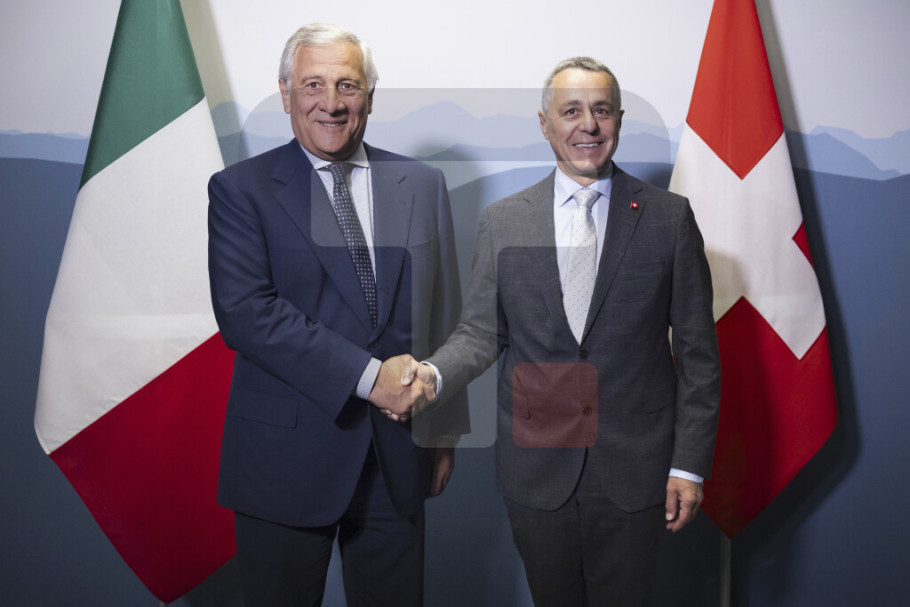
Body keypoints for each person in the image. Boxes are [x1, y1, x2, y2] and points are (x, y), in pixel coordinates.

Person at [403, 57, 721, 606]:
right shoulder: (504, 220)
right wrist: (431, 374)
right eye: (571, 111)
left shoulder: (669, 218)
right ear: (544, 123)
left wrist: (688, 466)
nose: (588, 125)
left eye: (602, 110)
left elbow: (699, 358)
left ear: (618, 120)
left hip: (637, 471)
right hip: (537, 472)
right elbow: (480, 333)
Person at [207, 23, 468, 606]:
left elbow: (443, 313)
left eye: (348, 85)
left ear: (369, 97)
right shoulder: (240, 190)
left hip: (398, 458)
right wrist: (373, 379)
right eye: (313, 85)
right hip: (283, 463)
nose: (331, 102)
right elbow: (247, 314)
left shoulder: (423, 184)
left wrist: (443, 433)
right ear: (285, 93)